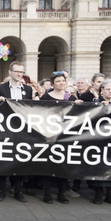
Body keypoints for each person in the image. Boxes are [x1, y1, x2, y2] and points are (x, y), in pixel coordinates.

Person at [38, 72, 83, 204]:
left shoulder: (71, 98)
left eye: (63, 81)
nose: (61, 83)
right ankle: (47, 193)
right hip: (49, 135)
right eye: (58, 81)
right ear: (52, 83)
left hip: (65, 137)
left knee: (63, 166)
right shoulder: (46, 97)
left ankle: (61, 193)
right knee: (48, 166)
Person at [0, 62, 34, 202]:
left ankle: (18, 191)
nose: (19, 74)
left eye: (21, 72)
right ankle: (1, 191)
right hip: (5, 130)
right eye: (17, 71)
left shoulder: (28, 90)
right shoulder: (1, 88)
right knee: (3, 161)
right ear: (10, 72)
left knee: (20, 162)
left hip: (22, 131)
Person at [91, 79, 111, 206]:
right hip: (99, 140)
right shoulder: (95, 103)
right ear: (102, 91)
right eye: (107, 89)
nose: (110, 91)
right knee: (99, 167)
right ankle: (98, 193)